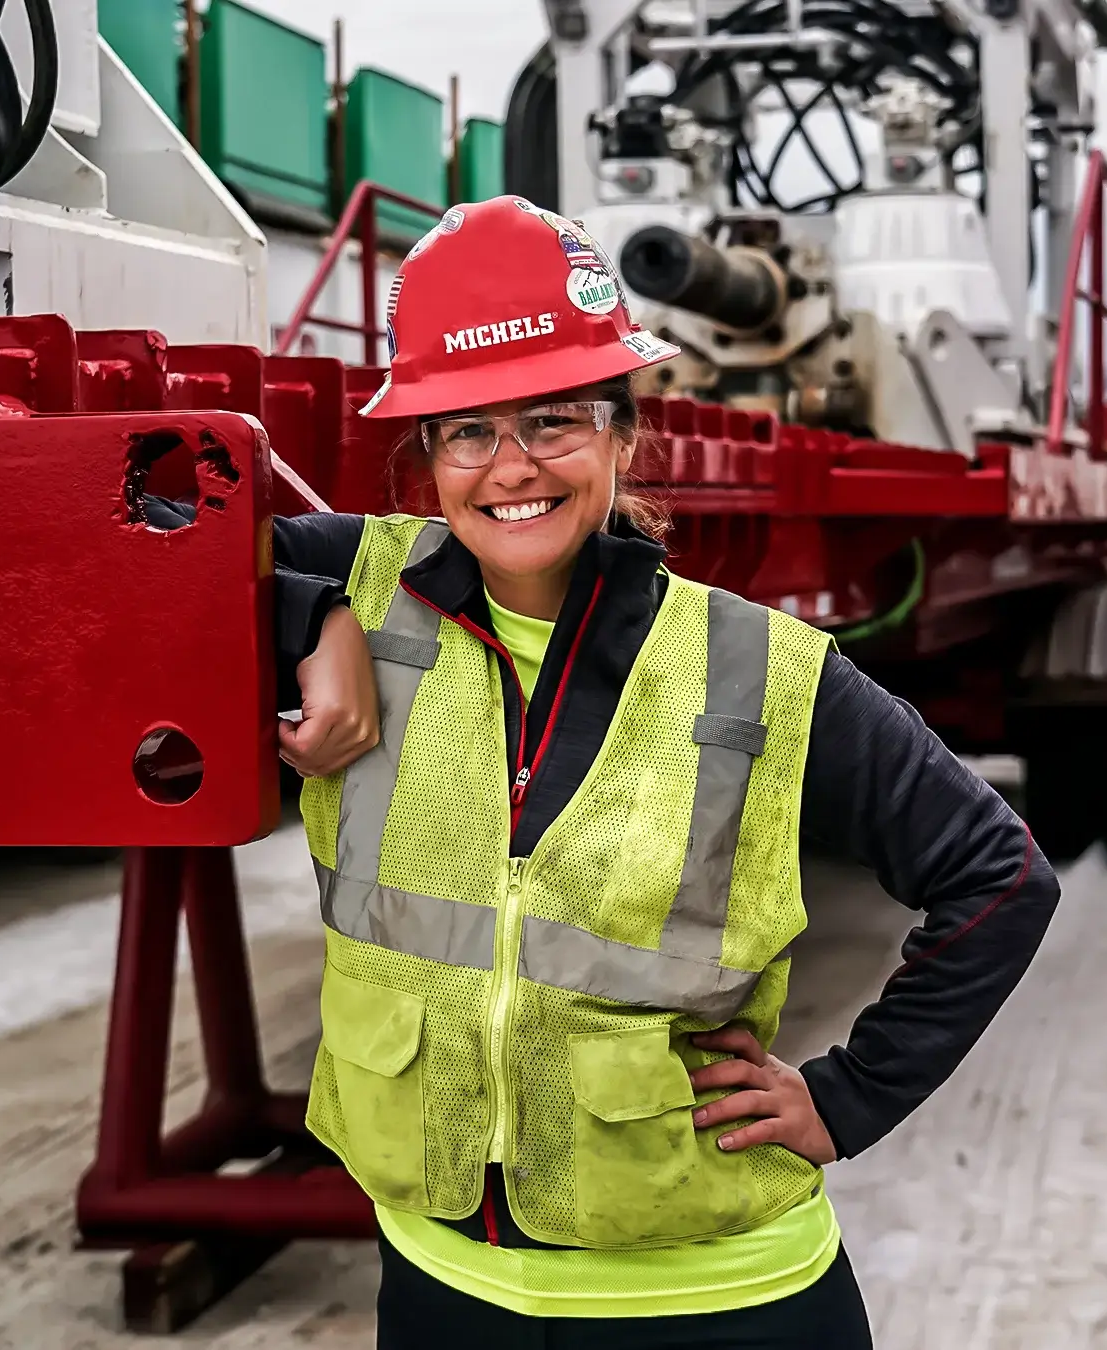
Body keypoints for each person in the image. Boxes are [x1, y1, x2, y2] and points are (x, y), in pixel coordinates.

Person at [252, 196, 1059, 1347]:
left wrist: (851, 1094)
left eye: (555, 420)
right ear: (424, 453)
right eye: (466, 430)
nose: (510, 468)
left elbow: (1000, 876)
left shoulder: (758, 671)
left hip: (712, 1303)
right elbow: (127, 539)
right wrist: (306, 612)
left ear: (626, 433)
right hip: (442, 1291)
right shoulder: (367, 587)